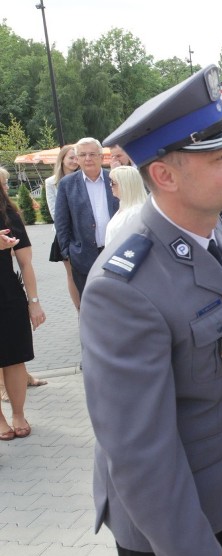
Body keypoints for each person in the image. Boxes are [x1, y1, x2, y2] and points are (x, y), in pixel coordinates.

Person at [81, 64, 222, 556]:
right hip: (174, 530)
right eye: (221, 156)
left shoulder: (211, 233)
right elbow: (138, 453)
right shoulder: (122, 289)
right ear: (164, 175)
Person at [0, 167, 46, 441]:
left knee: (15, 358)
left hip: (8, 296)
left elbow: (26, 264)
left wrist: (34, 303)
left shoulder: (9, 214)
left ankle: (18, 413)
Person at [53, 137, 119, 296]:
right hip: (82, 256)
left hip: (114, 251)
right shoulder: (67, 184)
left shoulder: (115, 179)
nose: (87, 158)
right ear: (77, 159)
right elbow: (61, 221)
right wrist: (67, 251)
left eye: (92, 154)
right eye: (82, 155)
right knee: (90, 302)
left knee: (117, 301)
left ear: (102, 157)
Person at [45, 144, 81, 311]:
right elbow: (54, 212)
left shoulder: (84, 178)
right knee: (72, 274)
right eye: (71, 157)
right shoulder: (51, 183)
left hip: (86, 231)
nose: (74, 161)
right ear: (62, 159)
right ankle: (79, 310)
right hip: (64, 233)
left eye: (76, 157)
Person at [104, 166, 147, 245]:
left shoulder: (135, 213)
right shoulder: (125, 207)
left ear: (125, 185)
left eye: (113, 182)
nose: (110, 185)